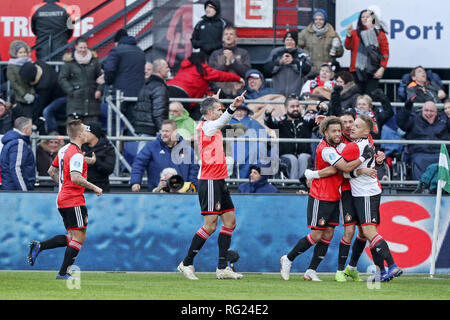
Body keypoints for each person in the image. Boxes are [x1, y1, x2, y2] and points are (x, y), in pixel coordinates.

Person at [279, 116, 374, 281]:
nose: (338, 134)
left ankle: (311, 271)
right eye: (334, 131)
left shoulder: (340, 145)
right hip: (320, 195)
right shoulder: (325, 149)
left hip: (334, 196)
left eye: (339, 131)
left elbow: (339, 168)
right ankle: (288, 259)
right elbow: (342, 168)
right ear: (325, 132)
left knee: (328, 234)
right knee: (316, 235)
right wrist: (362, 158)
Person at [177, 93, 246, 280]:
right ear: (209, 112)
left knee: (230, 222)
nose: (221, 112)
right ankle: (187, 263)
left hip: (219, 180)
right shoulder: (208, 126)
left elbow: (217, 120)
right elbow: (221, 120)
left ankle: (222, 268)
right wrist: (233, 106)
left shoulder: (206, 125)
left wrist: (213, 101)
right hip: (208, 180)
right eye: (218, 109)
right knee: (210, 226)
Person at [28, 119, 103, 280]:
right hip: (73, 199)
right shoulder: (75, 154)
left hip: (63, 198)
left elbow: (51, 170)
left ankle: (39, 246)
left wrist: (64, 183)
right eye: (84, 130)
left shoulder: (65, 150)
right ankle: (63, 273)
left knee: (72, 236)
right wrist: (94, 187)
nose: (87, 133)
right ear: (79, 134)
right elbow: (76, 177)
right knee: (79, 237)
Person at [166, 52, 243, 120]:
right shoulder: (201, 68)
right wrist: (238, 78)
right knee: (179, 117)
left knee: (166, 115)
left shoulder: (184, 68)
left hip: (167, 88)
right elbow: (219, 75)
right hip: (181, 93)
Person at [130, 120, 199, 192]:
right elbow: (138, 164)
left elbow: (194, 171)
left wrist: (193, 188)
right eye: (162, 131)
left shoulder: (187, 150)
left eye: (167, 131)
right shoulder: (151, 147)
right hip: (157, 195)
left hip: (182, 195)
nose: (164, 133)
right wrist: (135, 182)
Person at [264, 95, 315, 180]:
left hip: (304, 154)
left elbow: (317, 120)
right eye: (292, 106)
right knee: (292, 159)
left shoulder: (306, 120)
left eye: (297, 106)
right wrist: (267, 114)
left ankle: (303, 185)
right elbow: (269, 123)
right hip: (286, 155)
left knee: (303, 157)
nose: (295, 108)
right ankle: (293, 185)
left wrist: (322, 110)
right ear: (285, 108)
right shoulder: (280, 121)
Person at [396, 100, 450, 180]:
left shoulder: (444, 120)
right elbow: (402, 124)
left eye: (431, 111)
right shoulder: (414, 119)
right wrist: (406, 110)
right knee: (418, 161)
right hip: (419, 153)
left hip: (440, 153)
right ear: (422, 111)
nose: (428, 113)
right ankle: (421, 188)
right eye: (426, 111)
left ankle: (441, 188)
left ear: (436, 112)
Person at [103, 29, 146, 124]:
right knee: (133, 122)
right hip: (137, 93)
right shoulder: (140, 51)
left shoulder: (116, 50)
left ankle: (116, 139)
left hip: (120, 93)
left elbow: (109, 69)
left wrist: (108, 81)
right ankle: (131, 139)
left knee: (116, 120)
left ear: (117, 42)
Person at [59, 37, 104, 123]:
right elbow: (62, 79)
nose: (83, 50)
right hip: (74, 104)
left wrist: (99, 90)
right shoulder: (69, 63)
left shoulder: (95, 62)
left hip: (92, 105)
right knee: (74, 133)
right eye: (81, 47)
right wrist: (71, 91)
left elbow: (102, 78)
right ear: (76, 47)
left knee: (91, 133)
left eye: (85, 47)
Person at [344, 9, 389, 94]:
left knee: (370, 97)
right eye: (362, 17)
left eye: (367, 17)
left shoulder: (380, 34)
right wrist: (349, 35)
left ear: (373, 18)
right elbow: (348, 46)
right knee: (356, 97)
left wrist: (382, 68)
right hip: (356, 71)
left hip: (373, 71)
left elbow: (385, 53)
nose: (364, 19)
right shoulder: (355, 33)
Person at [131, 58, 170, 153]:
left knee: (143, 156)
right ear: (160, 69)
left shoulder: (147, 85)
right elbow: (159, 111)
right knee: (144, 159)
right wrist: (163, 130)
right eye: (166, 67)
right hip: (151, 129)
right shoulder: (159, 87)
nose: (168, 69)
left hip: (144, 127)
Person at [19, 60, 66, 131]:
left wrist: (32, 119)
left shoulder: (44, 85)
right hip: (49, 95)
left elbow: (41, 104)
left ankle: (52, 134)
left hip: (61, 97)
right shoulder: (39, 64)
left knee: (47, 111)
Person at [263, 30, 312, 97]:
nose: (289, 42)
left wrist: (293, 62)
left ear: (296, 42)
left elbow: (307, 70)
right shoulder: (276, 52)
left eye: (291, 40)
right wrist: (279, 62)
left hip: (296, 93)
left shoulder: (302, 53)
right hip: (278, 94)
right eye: (287, 40)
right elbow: (266, 69)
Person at [229, 104, 271, 178]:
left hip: (251, 151)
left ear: (246, 111)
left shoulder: (253, 122)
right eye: (236, 110)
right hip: (232, 151)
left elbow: (265, 137)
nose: (239, 112)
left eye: (241, 110)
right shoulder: (226, 122)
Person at [208, 26, 251, 98]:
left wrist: (233, 61)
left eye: (231, 34)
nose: (228, 36)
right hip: (218, 93)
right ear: (222, 38)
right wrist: (226, 66)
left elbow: (246, 72)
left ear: (236, 37)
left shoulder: (243, 53)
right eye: (226, 34)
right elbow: (211, 73)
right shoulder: (215, 54)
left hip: (238, 92)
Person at [297, 9, 344, 74]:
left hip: (326, 72)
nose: (318, 22)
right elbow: (297, 48)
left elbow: (340, 54)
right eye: (316, 19)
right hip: (309, 71)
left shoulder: (333, 34)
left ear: (325, 21)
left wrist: (337, 48)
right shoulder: (305, 33)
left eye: (321, 19)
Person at [0, 117, 36, 190]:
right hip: (15, 191)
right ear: (25, 129)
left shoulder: (11, 141)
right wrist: (23, 192)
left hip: (10, 188)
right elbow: (16, 169)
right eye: (30, 129)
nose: (31, 132)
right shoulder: (19, 143)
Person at [81, 122, 116, 192]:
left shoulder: (107, 149)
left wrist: (95, 162)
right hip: (82, 188)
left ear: (94, 134)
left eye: (87, 132)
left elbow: (109, 169)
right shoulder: (80, 147)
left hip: (101, 189)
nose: (84, 134)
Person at [6, 40, 35, 120]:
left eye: (24, 52)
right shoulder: (11, 66)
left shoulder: (30, 64)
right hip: (18, 98)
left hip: (31, 98)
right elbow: (14, 83)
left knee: (30, 120)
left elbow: (33, 80)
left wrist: (32, 93)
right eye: (20, 52)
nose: (23, 54)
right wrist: (24, 94)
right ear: (15, 54)